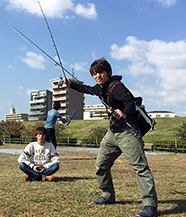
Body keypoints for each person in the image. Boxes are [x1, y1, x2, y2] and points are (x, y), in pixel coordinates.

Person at [65, 58, 158, 217]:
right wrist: (71, 84)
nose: (97, 76)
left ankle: (150, 205)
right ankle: (107, 195)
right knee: (101, 164)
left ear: (108, 72)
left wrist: (124, 113)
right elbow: (87, 89)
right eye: (94, 74)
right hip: (113, 133)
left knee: (140, 167)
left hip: (129, 132)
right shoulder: (101, 88)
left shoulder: (117, 87)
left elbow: (130, 102)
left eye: (100, 72)